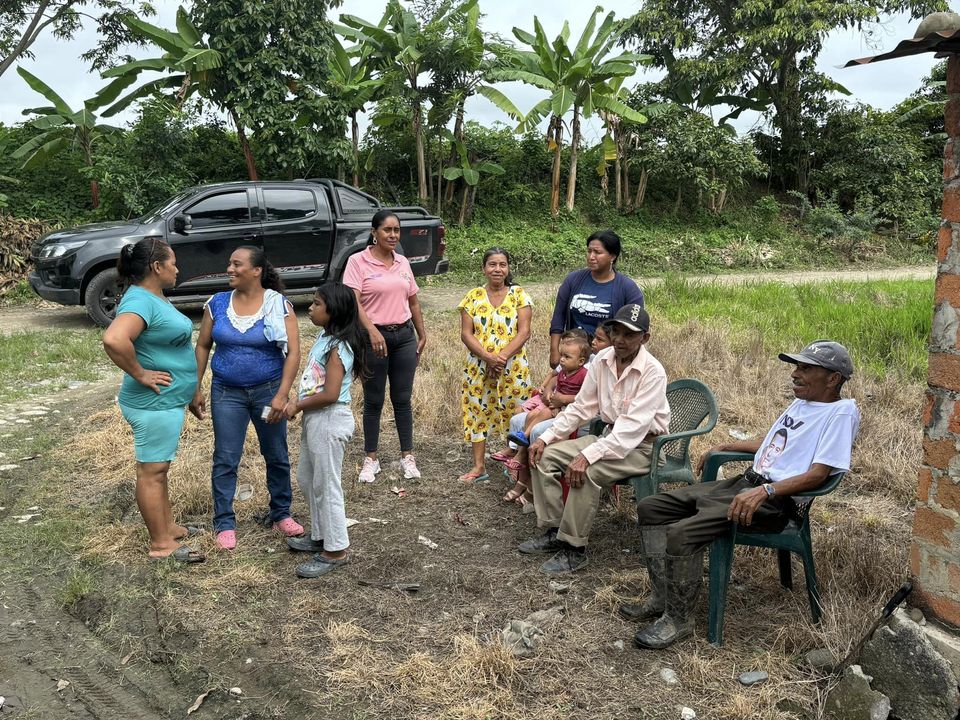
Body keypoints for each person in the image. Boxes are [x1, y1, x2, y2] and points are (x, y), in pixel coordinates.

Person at [627, 340, 860, 649]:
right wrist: (727, 446)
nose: (795, 374)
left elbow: (819, 474)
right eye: (796, 367)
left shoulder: (840, 413)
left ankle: (679, 619)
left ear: (833, 378)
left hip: (774, 503)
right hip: (746, 484)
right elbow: (776, 442)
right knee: (651, 507)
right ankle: (663, 597)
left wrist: (767, 490)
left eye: (805, 368)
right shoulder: (804, 402)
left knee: (681, 534)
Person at [519, 304, 670, 574]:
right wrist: (547, 437)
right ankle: (555, 531)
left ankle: (574, 549)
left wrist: (587, 456)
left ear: (645, 338)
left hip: (644, 448)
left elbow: (631, 430)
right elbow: (581, 407)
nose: (620, 340)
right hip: (610, 438)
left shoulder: (653, 371)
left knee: (587, 471)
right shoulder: (602, 360)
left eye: (630, 335)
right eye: (616, 332)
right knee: (544, 455)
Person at [190, 247, 302, 550]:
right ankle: (224, 523)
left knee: (276, 453)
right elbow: (203, 345)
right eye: (229, 263)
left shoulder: (278, 305)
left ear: (256, 271)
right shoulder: (217, 303)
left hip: (268, 393)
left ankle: (281, 513)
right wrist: (195, 386)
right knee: (226, 457)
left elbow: (294, 353)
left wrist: (281, 395)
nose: (229, 269)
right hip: (227, 393)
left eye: (236, 264)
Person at [102, 237, 204, 564]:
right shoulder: (140, 301)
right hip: (152, 403)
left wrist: (191, 390)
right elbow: (114, 339)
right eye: (173, 262)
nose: (177, 268)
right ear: (157, 266)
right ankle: (161, 544)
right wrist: (140, 373)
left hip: (166, 401)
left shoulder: (152, 296)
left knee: (159, 469)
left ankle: (168, 527)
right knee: (152, 471)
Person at [284, 283, 368, 578]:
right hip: (316, 417)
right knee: (308, 478)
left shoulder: (339, 347)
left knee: (327, 484)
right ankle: (321, 536)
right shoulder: (325, 337)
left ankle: (336, 550)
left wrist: (298, 405)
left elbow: (331, 394)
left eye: (317, 304)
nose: (310, 308)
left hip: (330, 418)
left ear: (334, 311)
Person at [344, 210, 427, 483]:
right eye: (387, 230)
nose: (393, 235)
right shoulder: (357, 262)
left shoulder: (402, 262)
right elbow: (353, 302)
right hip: (372, 340)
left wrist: (422, 333)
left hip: (403, 337)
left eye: (396, 230)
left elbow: (413, 301)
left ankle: (407, 456)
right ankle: (371, 459)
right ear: (374, 232)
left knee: (402, 399)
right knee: (374, 399)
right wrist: (372, 332)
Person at [457, 247, 533, 483]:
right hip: (478, 367)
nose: (497, 269)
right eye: (492, 264)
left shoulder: (519, 295)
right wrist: (488, 357)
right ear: (484, 268)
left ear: (508, 268)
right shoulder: (473, 297)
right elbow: (466, 334)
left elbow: (524, 332)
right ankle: (479, 467)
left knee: (518, 412)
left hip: (513, 367)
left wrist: (501, 357)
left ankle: (515, 463)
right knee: (477, 412)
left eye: (502, 264)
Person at [548, 230, 644, 368]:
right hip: (573, 357)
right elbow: (558, 317)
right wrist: (554, 351)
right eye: (589, 251)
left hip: (608, 359)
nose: (591, 256)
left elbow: (635, 328)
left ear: (612, 256)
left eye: (597, 252)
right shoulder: (573, 280)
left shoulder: (627, 289)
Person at [509, 332, 590, 448]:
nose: (561, 360)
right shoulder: (563, 373)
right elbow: (558, 389)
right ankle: (524, 436)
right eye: (561, 355)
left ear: (581, 361)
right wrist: (554, 403)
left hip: (572, 409)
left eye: (567, 357)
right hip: (557, 406)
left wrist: (562, 402)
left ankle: (525, 437)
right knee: (541, 413)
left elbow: (585, 396)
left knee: (540, 422)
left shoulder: (584, 375)